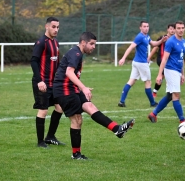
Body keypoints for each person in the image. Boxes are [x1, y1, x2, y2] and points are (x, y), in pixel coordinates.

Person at [53, 32, 135, 160]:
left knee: (90, 106)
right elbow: (69, 72)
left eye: (94, 44)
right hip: (64, 90)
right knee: (77, 120)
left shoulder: (77, 53)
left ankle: (117, 129)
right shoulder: (76, 53)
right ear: (83, 43)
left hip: (71, 88)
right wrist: (83, 87)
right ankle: (76, 155)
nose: (93, 47)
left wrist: (81, 87)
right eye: (91, 44)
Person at [31, 17, 65, 148]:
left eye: (57, 27)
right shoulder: (41, 42)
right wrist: (39, 81)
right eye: (53, 27)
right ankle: (40, 142)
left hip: (53, 83)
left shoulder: (55, 43)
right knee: (43, 111)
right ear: (47, 26)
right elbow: (34, 61)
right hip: (41, 82)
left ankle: (50, 137)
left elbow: (56, 63)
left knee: (59, 108)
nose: (56, 29)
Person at [118, 21, 167, 107]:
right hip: (141, 63)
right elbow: (131, 47)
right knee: (148, 82)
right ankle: (152, 103)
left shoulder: (146, 36)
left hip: (136, 62)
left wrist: (161, 41)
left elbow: (153, 44)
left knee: (131, 81)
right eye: (144, 26)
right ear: (140, 27)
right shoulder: (140, 37)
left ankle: (121, 101)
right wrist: (123, 58)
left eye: (147, 26)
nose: (146, 28)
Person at [147, 21, 185, 123]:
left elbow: (181, 59)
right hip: (170, 70)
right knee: (176, 95)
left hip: (177, 71)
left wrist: (183, 74)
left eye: (182, 28)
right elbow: (164, 59)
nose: (181, 30)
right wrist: (160, 74)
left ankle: (153, 114)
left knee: (170, 96)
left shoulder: (184, 42)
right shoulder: (170, 42)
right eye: (178, 28)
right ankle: (182, 120)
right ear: (175, 29)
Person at [148, 23, 175, 98]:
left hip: (170, 61)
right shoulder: (163, 38)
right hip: (161, 60)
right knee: (167, 75)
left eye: (173, 29)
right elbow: (155, 48)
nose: (172, 30)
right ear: (167, 29)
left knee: (162, 76)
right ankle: (169, 93)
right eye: (171, 29)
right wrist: (149, 57)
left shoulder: (175, 40)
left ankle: (154, 92)